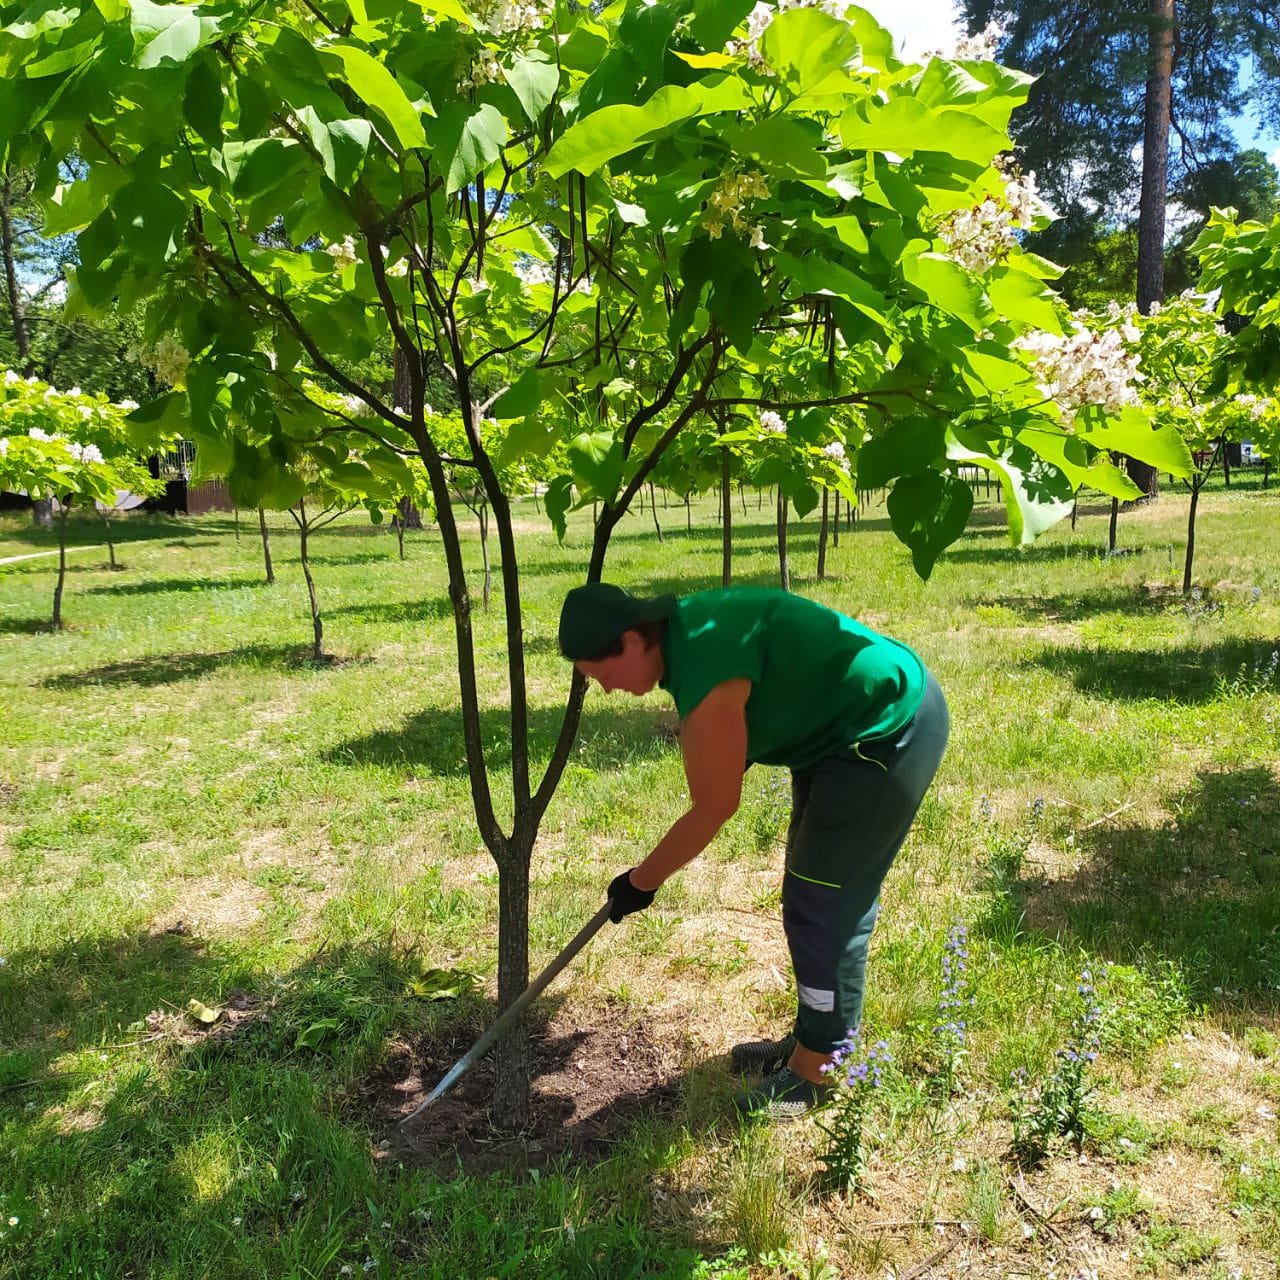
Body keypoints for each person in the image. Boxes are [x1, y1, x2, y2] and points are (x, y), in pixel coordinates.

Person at [558, 581, 949, 1119]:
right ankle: (812, 1036)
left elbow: (715, 806)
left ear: (630, 640)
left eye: (601, 675)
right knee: (812, 893)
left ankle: (816, 1072)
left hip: (884, 730)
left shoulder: (707, 665)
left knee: (823, 901)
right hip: (836, 733)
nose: (604, 690)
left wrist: (640, 882)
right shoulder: (688, 640)